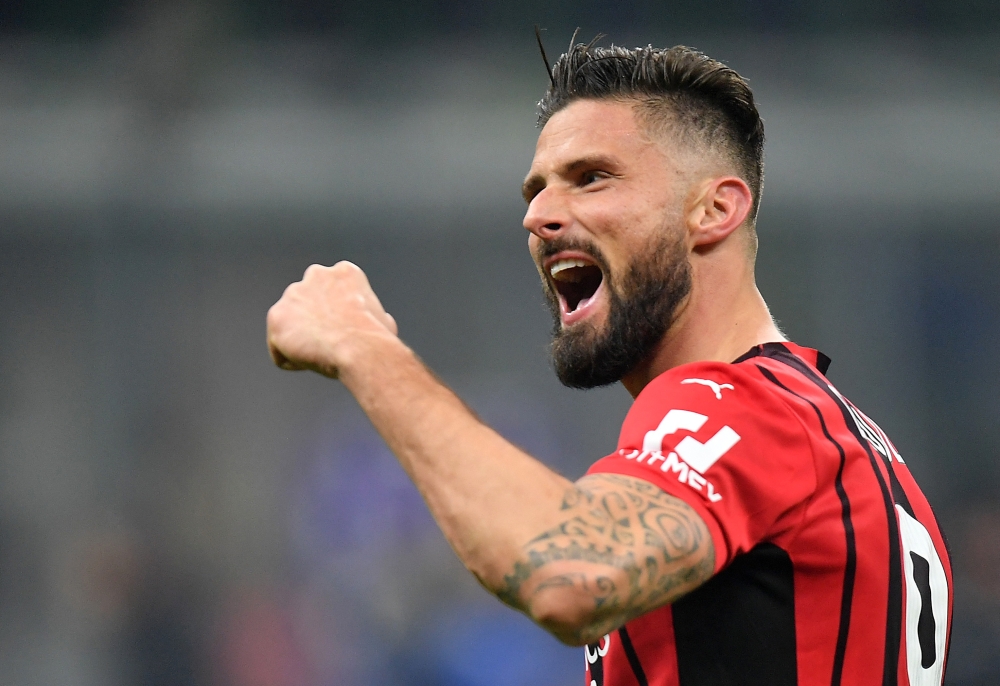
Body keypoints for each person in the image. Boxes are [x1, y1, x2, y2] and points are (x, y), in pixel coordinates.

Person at [266, 41, 953, 686]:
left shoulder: (745, 408)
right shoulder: (845, 443)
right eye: (535, 191)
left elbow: (566, 573)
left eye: (591, 178)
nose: (539, 216)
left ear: (715, 209)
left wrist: (365, 347)